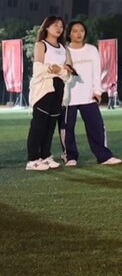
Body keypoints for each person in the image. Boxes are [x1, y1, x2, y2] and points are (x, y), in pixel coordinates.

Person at [59, 21, 122, 166]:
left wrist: (97, 91)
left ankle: (104, 156)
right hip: (69, 97)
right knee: (67, 128)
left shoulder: (92, 50)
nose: (79, 33)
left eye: (81, 30)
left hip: (88, 97)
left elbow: (97, 72)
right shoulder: (64, 51)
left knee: (97, 126)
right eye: (75, 31)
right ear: (69, 34)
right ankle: (70, 156)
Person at [26, 16, 74, 171]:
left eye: (61, 26)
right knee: (39, 125)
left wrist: (58, 70)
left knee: (50, 125)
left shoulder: (64, 49)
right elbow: (37, 69)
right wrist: (53, 70)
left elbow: (68, 74)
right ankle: (33, 159)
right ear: (46, 27)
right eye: (55, 25)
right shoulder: (41, 45)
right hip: (44, 89)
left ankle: (45, 156)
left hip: (59, 89)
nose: (59, 28)